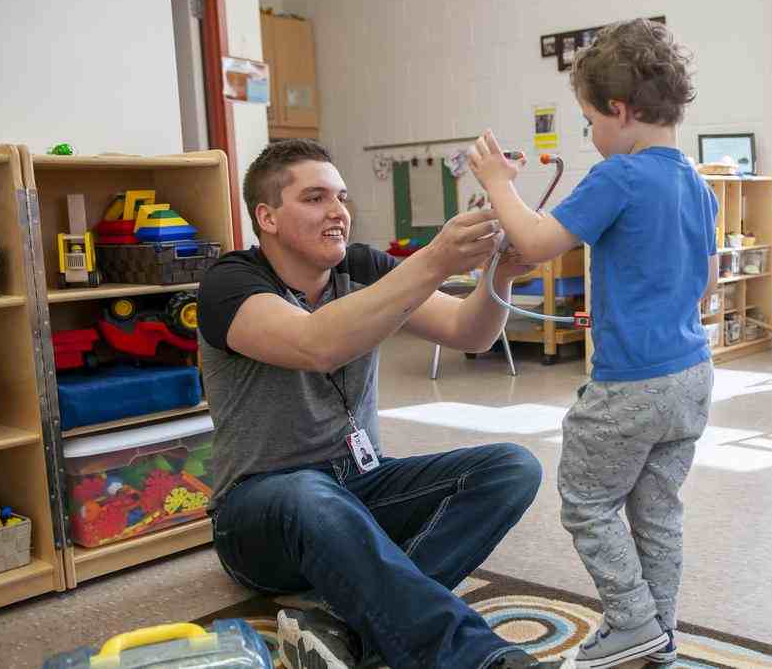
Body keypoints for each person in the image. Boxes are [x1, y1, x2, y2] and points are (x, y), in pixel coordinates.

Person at [198, 138, 563, 669]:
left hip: (358, 485)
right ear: (267, 217)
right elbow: (316, 344)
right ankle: (474, 657)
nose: (338, 212)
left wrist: (499, 272)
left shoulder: (360, 267)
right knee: (308, 493)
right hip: (260, 514)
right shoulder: (230, 283)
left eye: (342, 197)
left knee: (512, 467)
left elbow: (468, 331)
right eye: (316, 198)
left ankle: (355, 624)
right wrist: (435, 258)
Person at [468, 17, 717, 669]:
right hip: (692, 374)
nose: (592, 135)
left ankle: (632, 619)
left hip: (629, 383)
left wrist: (499, 182)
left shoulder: (621, 177)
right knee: (657, 511)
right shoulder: (697, 182)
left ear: (620, 110)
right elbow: (707, 286)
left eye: (590, 122)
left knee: (586, 499)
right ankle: (660, 632)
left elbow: (537, 241)